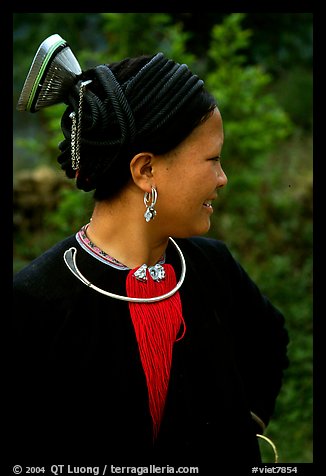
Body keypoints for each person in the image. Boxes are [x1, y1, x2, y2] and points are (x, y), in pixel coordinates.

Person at [12, 34, 289, 471]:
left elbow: (269, 339)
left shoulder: (213, 270)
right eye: (211, 160)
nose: (222, 178)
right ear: (145, 170)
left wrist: (241, 430)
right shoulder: (36, 303)